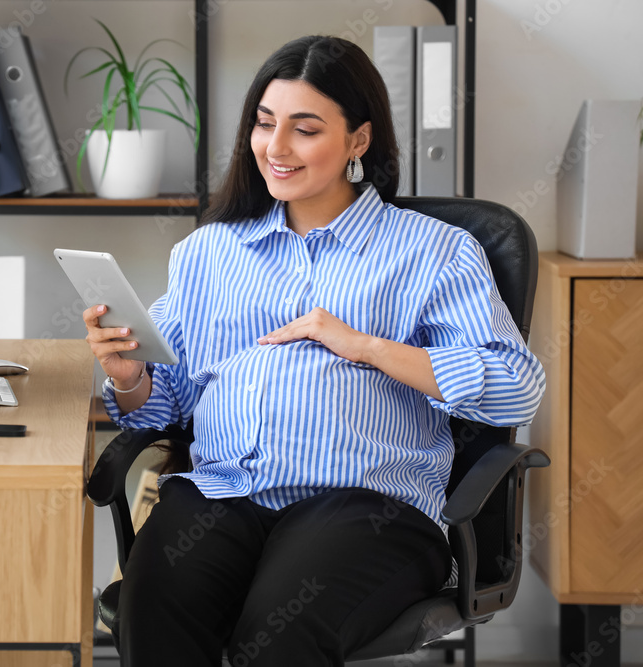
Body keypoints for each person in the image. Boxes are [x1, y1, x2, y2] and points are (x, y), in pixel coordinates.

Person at [83, 35, 545, 666]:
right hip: (223, 494)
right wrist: (130, 375)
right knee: (153, 610)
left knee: (274, 638)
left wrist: (366, 346)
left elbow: (517, 386)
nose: (276, 148)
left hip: (366, 506)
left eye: (304, 130)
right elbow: (167, 402)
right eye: (264, 124)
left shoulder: (436, 251)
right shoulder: (209, 252)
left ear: (359, 139)